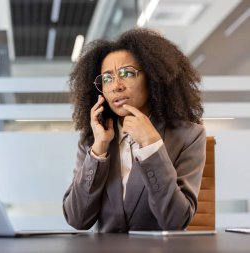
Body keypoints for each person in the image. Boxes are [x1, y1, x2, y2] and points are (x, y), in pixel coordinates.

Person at [62, 28, 206, 233]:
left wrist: (152, 147)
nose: (116, 86)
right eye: (107, 78)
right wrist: (98, 151)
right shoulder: (94, 138)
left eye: (127, 74)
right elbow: (77, 218)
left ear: (153, 77)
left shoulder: (189, 136)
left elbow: (175, 221)